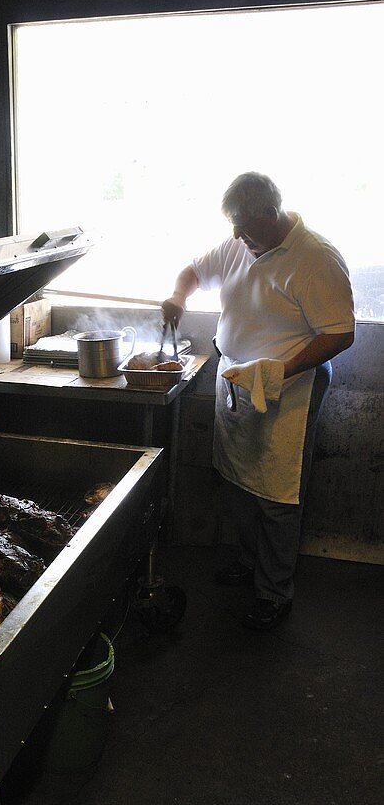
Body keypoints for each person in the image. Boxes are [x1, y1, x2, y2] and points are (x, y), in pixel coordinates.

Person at [161, 172, 355, 630]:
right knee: (237, 480)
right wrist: (177, 295)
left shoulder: (315, 258)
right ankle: (249, 563)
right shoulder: (239, 242)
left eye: (245, 227)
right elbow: (194, 271)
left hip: (289, 388)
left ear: (271, 214)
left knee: (277, 493)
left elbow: (340, 334)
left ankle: (274, 593)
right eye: (233, 227)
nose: (237, 237)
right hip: (237, 381)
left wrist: (278, 372)